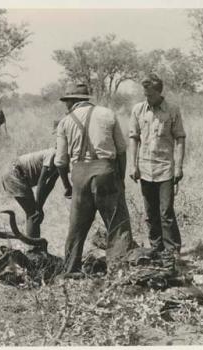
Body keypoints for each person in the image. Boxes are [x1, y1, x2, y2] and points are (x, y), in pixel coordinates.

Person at [54, 83, 133, 273]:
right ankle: (118, 269)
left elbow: (60, 162)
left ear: (73, 101)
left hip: (79, 175)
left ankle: (72, 269)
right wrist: (120, 179)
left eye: (67, 101)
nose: (66, 105)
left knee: (77, 226)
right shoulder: (107, 114)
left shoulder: (64, 122)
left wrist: (68, 186)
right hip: (106, 171)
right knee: (117, 224)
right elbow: (121, 151)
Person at [128, 73, 186, 257]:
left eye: (150, 94)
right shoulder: (138, 110)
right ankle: (156, 247)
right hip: (145, 169)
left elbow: (180, 138)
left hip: (165, 168)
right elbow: (134, 138)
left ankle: (172, 249)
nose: (147, 98)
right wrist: (133, 165)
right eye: (145, 94)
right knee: (150, 212)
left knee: (166, 211)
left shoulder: (172, 109)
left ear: (159, 92)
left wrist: (178, 166)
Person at [2, 148, 59, 238]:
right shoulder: (53, 154)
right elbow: (42, 182)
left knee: (34, 214)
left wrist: (39, 206)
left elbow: (50, 185)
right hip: (14, 173)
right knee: (33, 215)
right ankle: (33, 249)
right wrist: (38, 209)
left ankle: (34, 247)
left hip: (20, 176)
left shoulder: (63, 160)